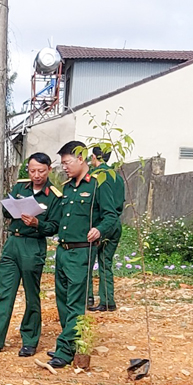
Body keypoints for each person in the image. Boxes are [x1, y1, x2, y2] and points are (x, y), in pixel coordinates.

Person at [0, 153, 62, 357]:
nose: (36, 175)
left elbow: (54, 226)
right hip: (12, 244)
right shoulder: (20, 187)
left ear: (49, 170)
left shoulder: (54, 195)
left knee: (31, 295)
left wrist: (37, 223)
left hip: (32, 245)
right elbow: (7, 211)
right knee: (4, 293)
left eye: (41, 171)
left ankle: (30, 339)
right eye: (32, 170)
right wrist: (12, 208)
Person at [47, 141, 120, 369]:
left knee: (75, 303)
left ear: (81, 159)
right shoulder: (68, 188)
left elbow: (111, 216)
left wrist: (99, 229)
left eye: (67, 163)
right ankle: (70, 343)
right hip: (63, 251)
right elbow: (57, 220)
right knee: (62, 302)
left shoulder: (99, 185)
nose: (64, 168)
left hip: (81, 252)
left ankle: (65, 350)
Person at [87, 146, 125, 312]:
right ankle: (108, 300)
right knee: (105, 263)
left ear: (94, 157)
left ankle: (87, 297)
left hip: (100, 224)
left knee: (87, 261)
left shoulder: (96, 176)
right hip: (115, 223)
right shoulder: (117, 176)